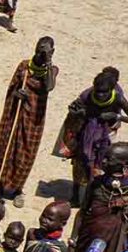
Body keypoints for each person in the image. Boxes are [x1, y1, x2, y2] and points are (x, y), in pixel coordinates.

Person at [0, 38, 58, 206]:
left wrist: (47, 62)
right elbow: (12, 87)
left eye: (46, 50)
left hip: (33, 118)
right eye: (39, 49)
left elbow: (48, 87)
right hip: (16, 113)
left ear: (52, 52)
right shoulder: (24, 66)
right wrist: (16, 95)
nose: (41, 53)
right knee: (8, 145)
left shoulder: (52, 70)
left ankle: (17, 189)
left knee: (25, 151)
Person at [54, 69, 128, 207]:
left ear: (111, 89)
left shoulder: (118, 98)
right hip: (85, 134)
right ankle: (76, 197)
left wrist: (116, 116)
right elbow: (74, 111)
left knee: (99, 167)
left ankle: (91, 198)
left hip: (106, 135)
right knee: (79, 164)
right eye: (97, 91)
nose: (100, 95)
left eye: (103, 92)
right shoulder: (87, 95)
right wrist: (77, 112)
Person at [72, 143, 128, 252]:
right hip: (87, 240)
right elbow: (83, 212)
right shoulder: (97, 184)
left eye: (110, 159)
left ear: (124, 165)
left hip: (114, 247)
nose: (103, 161)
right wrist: (73, 241)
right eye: (104, 157)